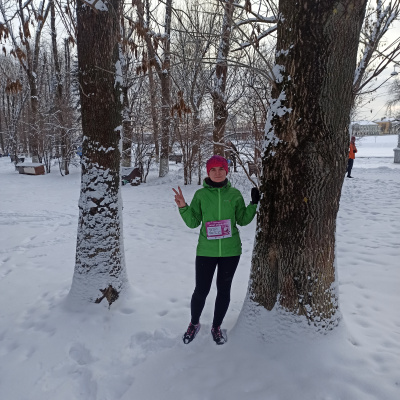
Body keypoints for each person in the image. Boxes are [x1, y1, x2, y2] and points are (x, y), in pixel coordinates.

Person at [172, 155, 260, 345]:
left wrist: (253, 205)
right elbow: (193, 222)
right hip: (206, 251)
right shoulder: (201, 195)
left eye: (221, 169)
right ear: (208, 172)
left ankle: (217, 326)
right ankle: (194, 323)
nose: (217, 173)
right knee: (201, 290)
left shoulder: (234, 194)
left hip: (230, 251)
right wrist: (183, 207)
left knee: (224, 290)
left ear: (226, 171)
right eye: (213, 169)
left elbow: (242, 220)